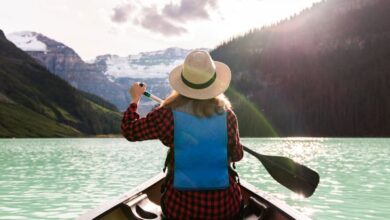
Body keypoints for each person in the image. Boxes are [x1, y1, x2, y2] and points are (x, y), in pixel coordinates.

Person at [121, 50, 244, 220]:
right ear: (213, 83)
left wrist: (135, 99)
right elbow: (237, 156)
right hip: (224, 208)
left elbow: (129, 130)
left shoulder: (166, 114)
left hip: (181, 209)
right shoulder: (228, 116)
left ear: (183, 83)